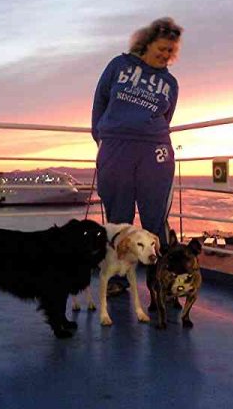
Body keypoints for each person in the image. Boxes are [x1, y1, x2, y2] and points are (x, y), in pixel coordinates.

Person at [91, 17, 183, 296]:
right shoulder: (118, 66)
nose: (167, 55)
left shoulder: (171, 83)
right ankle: (118, 279)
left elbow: (166, 117)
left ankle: (161, 283)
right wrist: (103, 138)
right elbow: (100, 102)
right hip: (116, 147)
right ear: (147, 43)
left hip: (154, 150)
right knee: (119, 218)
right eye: (162, 48)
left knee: (155, 220)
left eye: (172, 50)